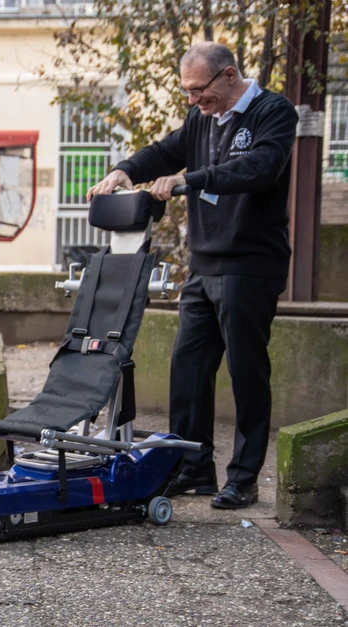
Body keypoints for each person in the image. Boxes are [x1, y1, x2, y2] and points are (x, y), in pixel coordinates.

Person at [87, 42, 298, 510]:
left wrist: (189, 181)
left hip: (250, 265)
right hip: (204, 265)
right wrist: (126, 170)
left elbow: (259, 169)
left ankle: (243, 478)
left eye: (199, 90)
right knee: (188, 370)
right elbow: (165, 152)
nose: (193, 100)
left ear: (228, 75)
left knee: (246, 373)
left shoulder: (272, 111)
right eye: (187, 91)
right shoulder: (202, 119)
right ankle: (193, 467)